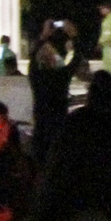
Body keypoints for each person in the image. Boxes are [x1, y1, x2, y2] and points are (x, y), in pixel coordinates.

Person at [31, 22, 75, 166]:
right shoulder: (62, 76)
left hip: (41, 130)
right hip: (59, 129)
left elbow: (32, 58)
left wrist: (43, 37)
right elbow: (78, 57)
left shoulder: (36, 78)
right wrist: (74, 36)